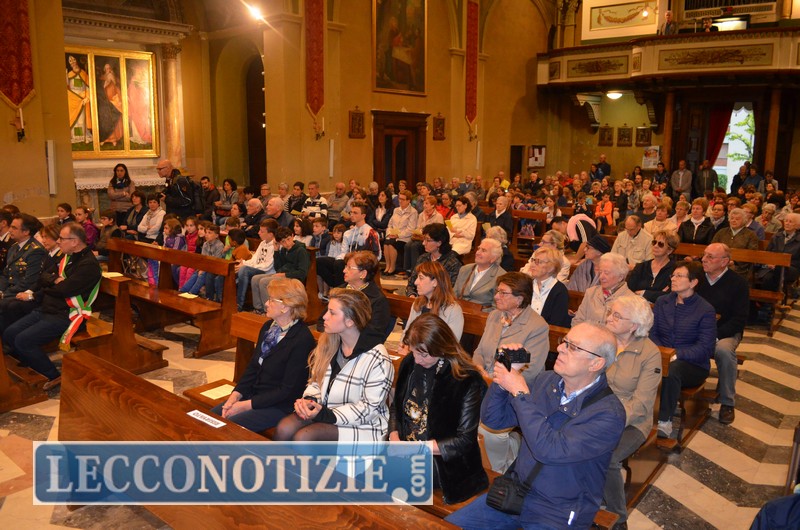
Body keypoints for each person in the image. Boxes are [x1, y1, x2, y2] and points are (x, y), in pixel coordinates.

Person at [445, 323, 625, 529]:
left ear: (596, 363)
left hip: (558, 511)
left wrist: (520, 392)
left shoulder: (609, 414)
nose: (560, 348)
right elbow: (494, 419)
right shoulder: (547, 381)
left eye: (573, 347)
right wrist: (505, 377)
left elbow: (550, 450)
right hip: (515, 493)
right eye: (564, 342)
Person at [389, 313, 489, 504]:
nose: (417, 359)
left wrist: (417, 449)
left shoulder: (466, 379)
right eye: (414, 351)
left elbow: (464, 441)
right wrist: (394, 436)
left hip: (444, 464)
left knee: (393, 483)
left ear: (441, 348)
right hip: (407, 449)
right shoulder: (409, 363)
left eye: (424, 354)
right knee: (365, 472)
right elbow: (396, 407)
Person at [274, 288, 393, 442]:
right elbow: (316, 382)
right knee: (284, 427)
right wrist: (310, 401)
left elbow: (369, 409)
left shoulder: (377, 357)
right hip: (327, 412)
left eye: (332, 313)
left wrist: (326, 414)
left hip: (363, 425)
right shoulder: (330, 343)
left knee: (305, 437)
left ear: (350, 321)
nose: (324, 316)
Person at [2, 223, 102, 389]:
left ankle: (53, 375)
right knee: (9, 333)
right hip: (48, 308)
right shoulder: (68, 256)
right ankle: (32, 364)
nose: (58, 241)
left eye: (62, 238)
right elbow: (43, 276)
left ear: (74, 241)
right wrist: (54, 280)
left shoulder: (88, 265)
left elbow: (64, 290)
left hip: (67, 314)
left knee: (23, 341)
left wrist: (52, 283)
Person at [471, 272, 550, 472]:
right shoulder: (494, 316)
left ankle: (498, 468)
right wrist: (478, 369)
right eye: (497, 291)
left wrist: (493, 379)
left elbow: (530, 370)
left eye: (503, 293)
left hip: (512, 392)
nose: (496, 296)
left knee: (486, 429)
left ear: (519, 299)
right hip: (484, 382)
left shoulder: (537, 326)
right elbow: (479, 351)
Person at [213, 278, 315, 432]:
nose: (266, 303)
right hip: (255, 395)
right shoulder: (269, 327)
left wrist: (246, 405)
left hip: (278, 405)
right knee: (211, 416)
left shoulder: (302, 339)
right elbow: (254, 366)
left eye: (271, 300)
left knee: (227, 427)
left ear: (285, 306)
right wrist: (236, 395)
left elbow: (286, 390)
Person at [602, 295, 661, 527]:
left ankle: (618, 517)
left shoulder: (649, 353)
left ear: (634, 325)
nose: (609, 318)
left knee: (608, 456)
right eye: (610, 313)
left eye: (617, 316)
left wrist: (611, 420)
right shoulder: (603, 341)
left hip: (632, 422)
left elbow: (642, 403)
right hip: (597, 412)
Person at [650, 261, 717, 439]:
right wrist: (662, 352)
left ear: (693, 282)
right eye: (673, 275)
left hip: (693, 365)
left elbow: (705, 348)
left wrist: (676, 355)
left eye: (679, 276)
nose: (673, 278)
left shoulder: (705, 310)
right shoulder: (663, 301)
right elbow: (653, 332)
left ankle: (664, 420)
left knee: (672, 370)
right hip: (662, 355)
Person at [697, 243, 749, 425]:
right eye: (704, 255)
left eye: (710, 257)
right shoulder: (696, 277)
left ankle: (727, 402)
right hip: (695, 329)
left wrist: (714, 335)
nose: (704, 259)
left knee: (724, 351)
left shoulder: (738, 283)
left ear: (724, 262)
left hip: (725, 331)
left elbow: (739, 319)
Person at [0, 224, 62, 330]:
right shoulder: (48, 254)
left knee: (11, 306)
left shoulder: (59, 257)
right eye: (43, 237)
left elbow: (50, 284)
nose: (43, 240)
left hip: (46, 299)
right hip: (36, 292)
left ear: (57, 239)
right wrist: (29, 291)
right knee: (8, 305)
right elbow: (40, 279)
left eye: (46, 237)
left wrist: (31, 295)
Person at [336, 251, 392, 344]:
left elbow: (374, 333)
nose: (344, 270)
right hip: (335, 340)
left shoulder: (377, 300)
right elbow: (322, 320)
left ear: (363, 274)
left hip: (358, 345)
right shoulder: (340, 291)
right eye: (345, 266)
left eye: (349, 267)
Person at [250, 227, 310, 311]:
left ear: (292, 236)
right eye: (283, 242)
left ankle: (267, 310)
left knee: (264, 282)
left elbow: (302, 273)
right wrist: (276, 251)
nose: (287, 243)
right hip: (282, 274)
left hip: (293, 277)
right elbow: (278, 268)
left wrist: (284, 275)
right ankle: (258, 308)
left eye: (288, 239)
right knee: (255, 278)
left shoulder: (301, 251)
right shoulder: (284, 250)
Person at [405, 260, 464, 340]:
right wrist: (404, 344)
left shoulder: (453, 310)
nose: (416, 282)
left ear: (435, 282)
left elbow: (451, 343)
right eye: (417, 278)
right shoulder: (418, 303)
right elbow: (407, 332)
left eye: (421, 278)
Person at [573, 252, 634, 325]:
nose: (601, 277)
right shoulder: (591, 292)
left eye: (606, 273)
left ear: (620, 277)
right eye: (600, 272)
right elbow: (577, 321)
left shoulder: (631, 300)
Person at [405, 223, 462, 297]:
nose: (423, 243)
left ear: (439, 243)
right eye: (424, 239)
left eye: (428, 240)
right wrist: (412, 295)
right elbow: (411, 283)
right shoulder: (423, 258)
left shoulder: (452, 263)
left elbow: (449, 290)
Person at [0, 214, 46, 301]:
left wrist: (4, 294)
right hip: (9, 293)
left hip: (21, 295)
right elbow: (5, 275)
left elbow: (29, 281)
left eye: (14, 228)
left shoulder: (35, 251)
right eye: (10, 227)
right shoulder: (14, 247)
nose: (10, 230)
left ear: (26, 232)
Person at [236, 219, 277, 312]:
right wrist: (244, 263)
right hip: (257, 269)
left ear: (270, 234)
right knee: (236, 268)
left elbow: (267, 266)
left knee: (244, 270)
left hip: (267, 272)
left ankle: (239, 304)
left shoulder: (275, 245)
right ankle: (226, 300)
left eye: (262, 231)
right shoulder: (262, 243)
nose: (258, 233)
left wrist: (246, 266)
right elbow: (254, 260)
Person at [627, 230, 678, 303]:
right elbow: (629, 290)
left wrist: (644, 293)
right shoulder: (641, 267)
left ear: (669, 250)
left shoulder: (675, 269)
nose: (655, 246)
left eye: (660, 244)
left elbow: (670, 296)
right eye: (654, 242)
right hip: (637, 305)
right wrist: (659, 293)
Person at [453, 238, 505, 307]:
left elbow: (497, 307)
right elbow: (453, 295)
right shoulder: (464, 269)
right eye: (478, 249)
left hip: (483, 313)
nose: (477, 253)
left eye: (483, 250)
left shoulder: (501, 276)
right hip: (459, 310)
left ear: (493, 258)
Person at [527, 246, 571, 327]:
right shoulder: (526, 285)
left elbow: (557, 323)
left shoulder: (560, 291)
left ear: (551, 267)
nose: (532, 265)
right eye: (533, 260)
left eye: (538, 262)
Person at [759, 212, 800, 291]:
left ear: (797, 225)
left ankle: (777, 296)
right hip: (772, 267)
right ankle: (771, 297)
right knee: (768, 277)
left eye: (790, 221)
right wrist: (770, 263)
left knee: (776, 273)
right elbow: (768, 253)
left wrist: (781, 265)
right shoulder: (776, 236)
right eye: (786, 221)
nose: (787, 223)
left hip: (791, 268)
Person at [383, 190, 417, 276]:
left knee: (392, 244)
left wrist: (398, 235)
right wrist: (389, 233)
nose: (400, 201)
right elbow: (390, 224)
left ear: (408, 200)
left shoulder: (413, 212)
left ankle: (392, 267)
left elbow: (410, 229)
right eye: (399, 198)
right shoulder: (396, 210)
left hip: (404, 237)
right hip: (393, 235)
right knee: (386, 243)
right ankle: (387, 266)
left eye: (403, 199)